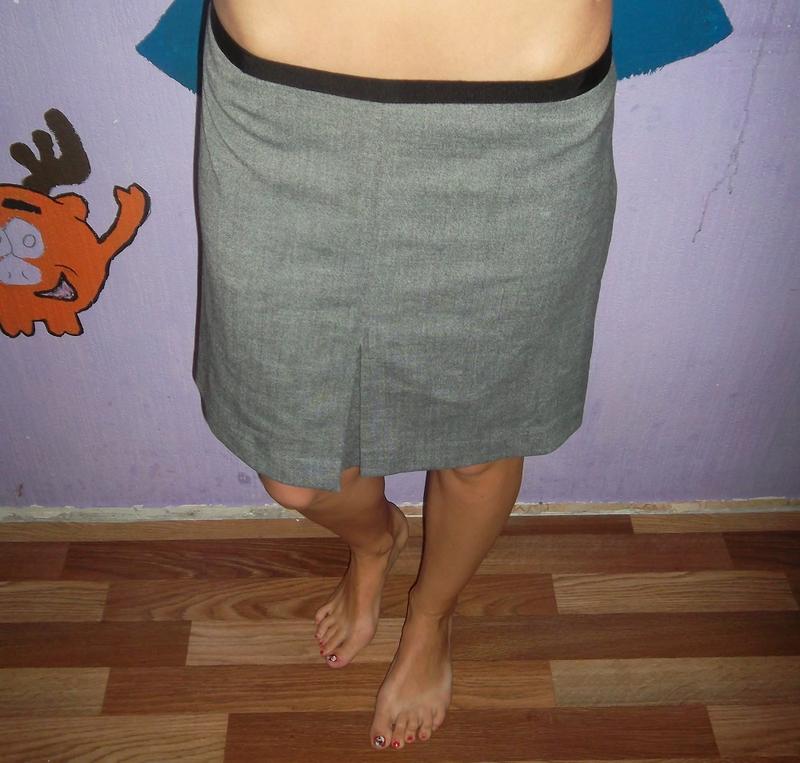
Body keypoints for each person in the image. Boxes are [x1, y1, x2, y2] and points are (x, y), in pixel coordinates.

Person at [194, 0, 616, 751]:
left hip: (523, 125)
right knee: (295, 472)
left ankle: (431, 616)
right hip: (282, 117)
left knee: (478, 445)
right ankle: (376, 540)